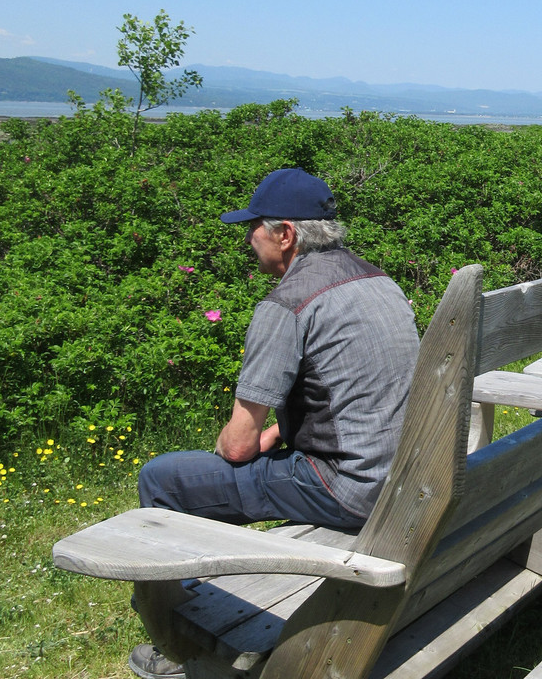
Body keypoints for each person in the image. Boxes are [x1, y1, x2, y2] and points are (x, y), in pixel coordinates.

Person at [128, 168, 420, 679]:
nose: (248, 238)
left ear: (284, 234)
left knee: (165, 477)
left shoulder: (286, 303)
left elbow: (237, 447)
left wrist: (238, 443)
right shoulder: (377, 280)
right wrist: (277, 434)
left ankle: (176, 640)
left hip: (348, 489)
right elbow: (357, 394)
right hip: (404, 477)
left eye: (254, 227)